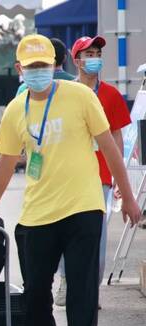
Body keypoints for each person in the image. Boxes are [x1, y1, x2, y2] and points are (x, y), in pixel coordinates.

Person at [0, 34, 141, 326]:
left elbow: (110, 148)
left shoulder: (80, 96)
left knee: (83, 290)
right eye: (31, 67)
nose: (38, 72)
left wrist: (127, 198)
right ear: (20, 69)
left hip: (83, 207)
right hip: (37, 214)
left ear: (56, 66)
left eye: (44, 66)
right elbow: (5, 162)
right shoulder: (17, 109)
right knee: (36, 290)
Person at [52, 36, 133, 307]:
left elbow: (117, 136)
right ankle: (66, 280)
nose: (94, 57)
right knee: (66, 229)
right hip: (68, 174)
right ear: (76, 60)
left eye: (97, 53)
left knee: (95, 235)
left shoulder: (110, 94)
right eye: (89, 54)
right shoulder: (63, 92)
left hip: (100, 176)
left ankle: (89, 288)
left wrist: (119, 175)